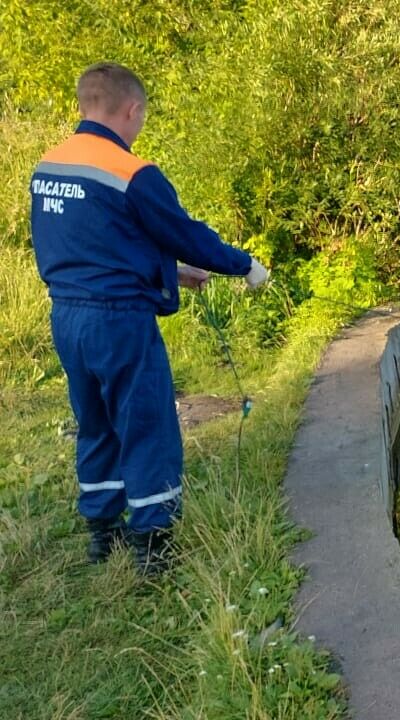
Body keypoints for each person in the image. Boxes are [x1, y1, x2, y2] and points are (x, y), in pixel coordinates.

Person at [29, 62, 269, 576]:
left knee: (95, 422)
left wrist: (170, 273)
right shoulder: (131, 172)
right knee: (146, 424)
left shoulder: (49, 167)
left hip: (68, 318)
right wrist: (243, 265)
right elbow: (186, 232)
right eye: (142, 118)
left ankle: (102, 532)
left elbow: (98, 244)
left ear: (84, 104)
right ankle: (153, 546)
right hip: (120, 324)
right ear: (132, 110)